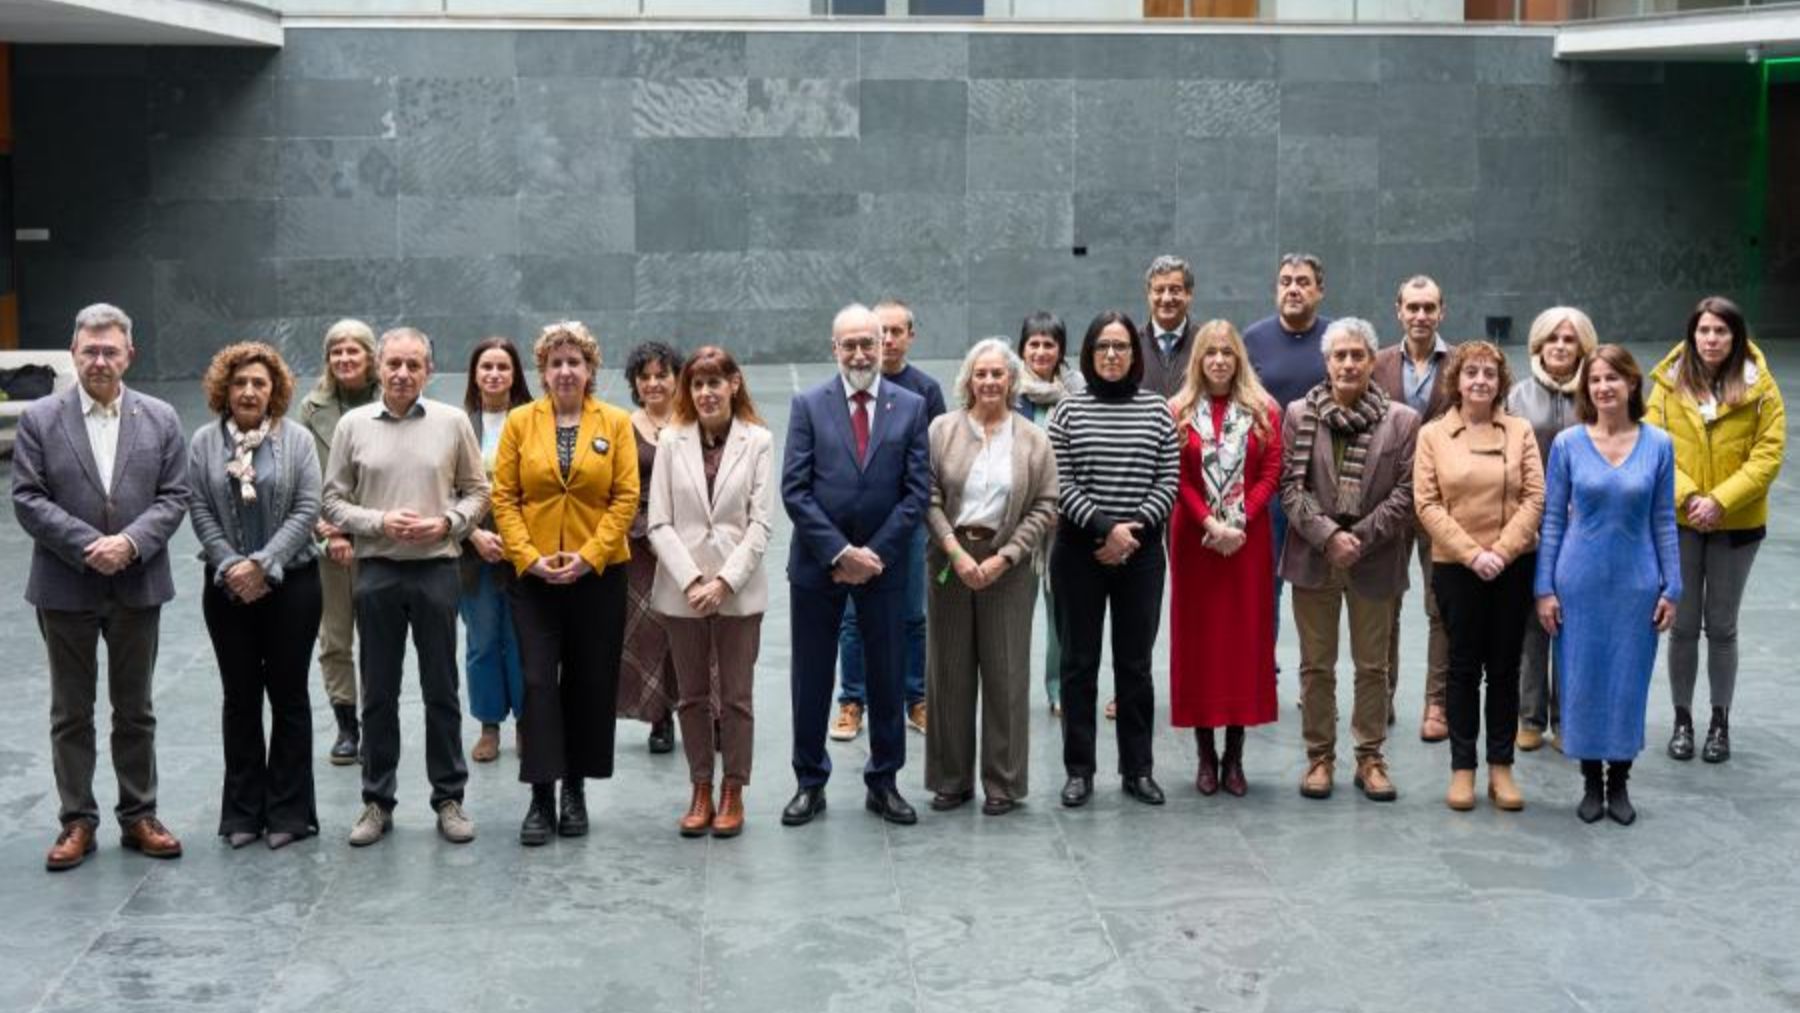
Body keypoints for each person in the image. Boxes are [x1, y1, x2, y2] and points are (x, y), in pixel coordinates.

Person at [13, 303, 190, 871]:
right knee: (71, 711)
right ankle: (77, 822)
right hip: (65, 586)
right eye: (89, 350)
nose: (99, 360)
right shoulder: (41, 417)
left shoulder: (160, 417)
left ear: (129, 355)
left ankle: (140, 815)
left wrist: (130, 544)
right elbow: (27, 498)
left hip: (138, 584)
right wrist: (91, 544)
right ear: (73, 352)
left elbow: (175, 496)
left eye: (110, 350)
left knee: (134, 708)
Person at [322, 326, 489, 847]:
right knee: (379, 694)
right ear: (378, 367)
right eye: (393, 364)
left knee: (442, 690)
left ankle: (449, 799)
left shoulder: (451, 421)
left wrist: (447, 524)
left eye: (413, 365)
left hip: (438, 570)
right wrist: (378, 522)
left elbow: (478, 491)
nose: (402, 373)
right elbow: (332, 501)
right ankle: (377, 801)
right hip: (377, 572)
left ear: (428, 371)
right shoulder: (353, 424)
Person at [781, 303, 932, 828]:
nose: (862, 353)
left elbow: (917, 494)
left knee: (888, 675)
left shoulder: (911, 407)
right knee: (812, 676)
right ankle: (809, 781)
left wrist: (874, 556)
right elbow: (795, 491)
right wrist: (841, 553)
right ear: (835, 349)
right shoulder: (808, 405)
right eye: (850, 344)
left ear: (884, 343)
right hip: (817, 568)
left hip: (884, 568)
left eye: (869, 342)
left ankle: (884, 781)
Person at [490, 321, 639, 845]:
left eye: (575, 361)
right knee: (535, 682)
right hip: (532, 578)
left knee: (588, 681)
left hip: (597, 575)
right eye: (555, 363)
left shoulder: (616, 422)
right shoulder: (518, 422)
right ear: (543, 371)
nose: (565, 371)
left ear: (591, 369)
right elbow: (503, 496)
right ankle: (539, 794)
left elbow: (626, 497)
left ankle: (574, 789)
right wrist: (527, 557)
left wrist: (590, 555)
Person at [1535, 345, 1681, 826]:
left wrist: (1672, 586)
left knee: (1626, 682)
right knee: (1580, 680)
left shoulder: (1658, 443)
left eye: (1612, 379)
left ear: (1632, 384)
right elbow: (1553, 519)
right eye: (1594, 380)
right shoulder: (1568, 444)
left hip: (1637, 582)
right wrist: (1544, 588)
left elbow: (1664, 520)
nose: (1603, 387)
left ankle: (1619, 782)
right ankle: (1589, 782)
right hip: (1578, 582)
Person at [187, 342, 323, 849]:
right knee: (239, 699)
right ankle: (242, 813)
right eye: (240, 382)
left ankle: (289, 813)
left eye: (259, 384)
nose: (249, 391)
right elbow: (198, 507)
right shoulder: (203, 442)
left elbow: (308, 506)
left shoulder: (299, 440)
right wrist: (231, 565)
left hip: (294, 585)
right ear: (225, 388)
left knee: (288, 697)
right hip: (225, 589)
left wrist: (264, 564)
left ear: (275, 391)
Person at [1281, 317, 1420, 803]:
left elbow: (1406, 494)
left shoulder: (1402, 421)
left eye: (1357, 355)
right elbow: (1290, 488)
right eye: (1339, 355)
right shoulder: (1299, 414)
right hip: (1314, 559)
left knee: (1372, 666)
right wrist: (1327, 537)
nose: (1347, 364)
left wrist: (1354, 538)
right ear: (1326, 362)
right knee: (1315, 665)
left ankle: (1370, 757)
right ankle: (1319, 757)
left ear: (1371, 362)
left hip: (1374, 558)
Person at [1048, 311, 1180, 808]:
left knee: (1135, 667)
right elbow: (1060, 483)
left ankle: (1138, 769)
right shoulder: (1068, 411)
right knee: (1078, 665)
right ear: (1088, 352)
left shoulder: (1157, 410)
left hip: (1141, 556)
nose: (1111, 354)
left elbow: (1167, 480)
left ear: (1134, 354)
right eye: (1102, 346)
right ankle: (1079, 771)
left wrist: (1131, 534)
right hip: (1079, 553)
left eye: (1121, 346)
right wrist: (1107, 530)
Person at [1646, 296, 1786, 765]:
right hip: (1678, 523)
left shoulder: (1760, 387)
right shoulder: (1666, 384)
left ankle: (1719, 724)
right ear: (1692, 335)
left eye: (1720, 332)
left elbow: (1768, 455)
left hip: (1737, 525)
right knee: (1682, 627)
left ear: (1735, 337)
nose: (1710, 340)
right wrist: (1688, 497)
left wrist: (1720, 500)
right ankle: (1682, 721)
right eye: (1703, 331)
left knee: (1722, 627)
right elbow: (1653, 445)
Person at [925, 338, 1059, 816]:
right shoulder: (941, 430)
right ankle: (950, 779)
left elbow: (1046, 504)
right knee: (949, 672)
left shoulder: (1032, 438)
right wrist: (957, 553)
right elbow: (929, 497)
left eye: (997, 374)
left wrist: (1006, 556)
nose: (988, 382)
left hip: (1009, 564)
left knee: (1005, 674)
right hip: (950, 559)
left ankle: (1003, 782)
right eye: (980, 374)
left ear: (1011, 381)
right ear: (967, 380)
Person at [646, 346, 774, 838]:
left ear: (734, 384)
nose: (705, 393)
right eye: (696, 385)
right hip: (682, 591)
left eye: (714, 383)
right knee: (692, 696)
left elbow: (761, 524)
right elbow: (658, 522)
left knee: (737, 698)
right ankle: (701, 786)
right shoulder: (671, 440)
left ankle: (733, 790)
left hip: (738, 591)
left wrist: (723, 582)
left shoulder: (758, 441)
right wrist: (694, 581)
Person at [1413, 342, 1544, 812]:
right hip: (1457, 567)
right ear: (1457, 380)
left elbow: (1535, 496)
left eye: (1489, 373)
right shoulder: (1432, 435)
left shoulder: (1520, 431)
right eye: (1471, 372)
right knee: (1463, 669)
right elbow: (1426, 504)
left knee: (1506, 668)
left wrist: (1503, 551)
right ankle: (1463, 769)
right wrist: (1473, 555)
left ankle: (1501, 769)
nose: (1480, 381)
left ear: (1500, 381)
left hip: (1512, 566)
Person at [1167, 320, 1282, 798]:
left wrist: (1240, 520)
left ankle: (1234, 756)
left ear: (1238, 359)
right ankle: (1204, 755)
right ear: (1198, 360)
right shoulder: (1177, 411)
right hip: (1196, 542)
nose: (1218, 360)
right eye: (1210, 353)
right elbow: (1175, 475)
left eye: (1227, 353)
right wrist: (1210, 524)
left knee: (1241, 645)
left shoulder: (1262, 410)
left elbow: (1272, 468)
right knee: (1199, 645)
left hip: (1247, 543)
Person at [832, 298, 944, 742]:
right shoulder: (840, 391)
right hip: (852, 531)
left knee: (913, 614)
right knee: (852, 617)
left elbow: (927, 466)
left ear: (906, 338)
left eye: (897, 332)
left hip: (907, 526)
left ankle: (915, 696)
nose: (889, 340)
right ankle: (851, 700)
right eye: (884, 331)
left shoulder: (924, 392)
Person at [1505, 307, 1597, 752]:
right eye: (1553, 339)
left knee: (1575, 623)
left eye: (1570, 339)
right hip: (1531, 526)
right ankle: (1530, 717)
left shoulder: (1598, 394)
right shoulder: (1516, 397)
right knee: (1532, 623)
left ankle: (1568, 719)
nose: (1561, 346)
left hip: (1585, 527)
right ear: (1538, 345)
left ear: (1584, 346)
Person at [1372, 275, 1455, 742]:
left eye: (1429, 308)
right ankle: (1380, 696)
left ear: (1442, 311)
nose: (1421, 316)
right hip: (1389, 501)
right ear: (1398, 310)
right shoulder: (1377, 363)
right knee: (1384, 604)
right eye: (1413, 307)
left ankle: (1436, 705)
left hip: (1444, 504)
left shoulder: (1463, 364)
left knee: (1439, 607)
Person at [1243, 254, 1332, 677]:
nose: (1293, 288)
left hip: (1326, 487)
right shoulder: (1254, 339)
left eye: (1303, 281)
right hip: (1270, 489)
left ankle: (1316, 676)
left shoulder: (1338, 338)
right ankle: (1261, 667)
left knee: (1319, 586)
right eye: (1285, 281)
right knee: (1266, 585)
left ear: (1319, 289)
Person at [297, 319, 379, 765]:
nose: (344, 359)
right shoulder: (312, 408)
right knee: (334, 637)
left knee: (378, 636)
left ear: (370, 357)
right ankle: (347, 725)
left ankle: (377, 718)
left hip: (380, 539)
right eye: (336, 352)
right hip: (327, 539)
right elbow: (302, 474)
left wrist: (358, 527)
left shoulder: (393, 399)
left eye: (353, 351)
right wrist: (326, 530)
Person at [460, 338, 533, 763]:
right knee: (483, 640)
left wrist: (520, 540)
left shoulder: (531, 421)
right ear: (474, 374)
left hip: (524, 553)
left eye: (503, 367)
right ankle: (489, 725)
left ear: (515, 374)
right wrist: (473, 534)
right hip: (474, 553)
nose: (493, 374)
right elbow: (445, 488)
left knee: (523, 640)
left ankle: (528, 721)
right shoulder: (458, 424)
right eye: (485, 366)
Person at [1013, 311, 1083, 716]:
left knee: (1062, 616)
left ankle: (1059, 688)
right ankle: (1011, 686)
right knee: (1013, 615)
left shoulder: (1077, 394)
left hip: (1064, 527)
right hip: (1017, 526)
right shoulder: (1006, 389)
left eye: (1049, 344)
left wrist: (1062, 504)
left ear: (1060, 350)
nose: (1041, 351)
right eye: (1034, 344)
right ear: (1023, 349)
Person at [620, 342, 684, 755]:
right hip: (640, 543)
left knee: (698, 629)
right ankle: (659, 717)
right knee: (650, 632)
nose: (653, 383)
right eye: (644, 377)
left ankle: (708, 714)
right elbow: (617, 488)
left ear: (677, 377)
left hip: (692, 539)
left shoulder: (695, 420)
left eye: (662, 374)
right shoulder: (622, 426)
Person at [1136, 255, 1197, 398]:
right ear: (1149, 294)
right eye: (1159, 290)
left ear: (1189, 294)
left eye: (1175, 290)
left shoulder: (1205, 343)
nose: (1167, 298)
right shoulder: (1131, 343)